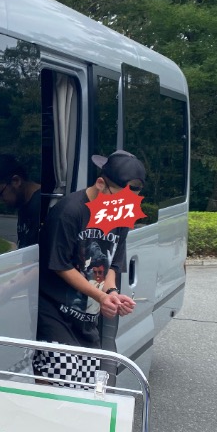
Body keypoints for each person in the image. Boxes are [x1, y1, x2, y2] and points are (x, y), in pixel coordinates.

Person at [33, 149, 146, 386]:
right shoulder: (69, 211)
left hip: (87, 319)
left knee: (85, 389)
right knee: (57, 385)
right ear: (100, 183)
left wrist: (111, 294)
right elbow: (60, 266)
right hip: (55, 314)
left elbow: (113, 263)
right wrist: (100, 295)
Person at [0, 154, 42, 248]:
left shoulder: (39, 207)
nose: (0, 200)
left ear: (16, 181)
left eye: (0, 194)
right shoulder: (23, 204)